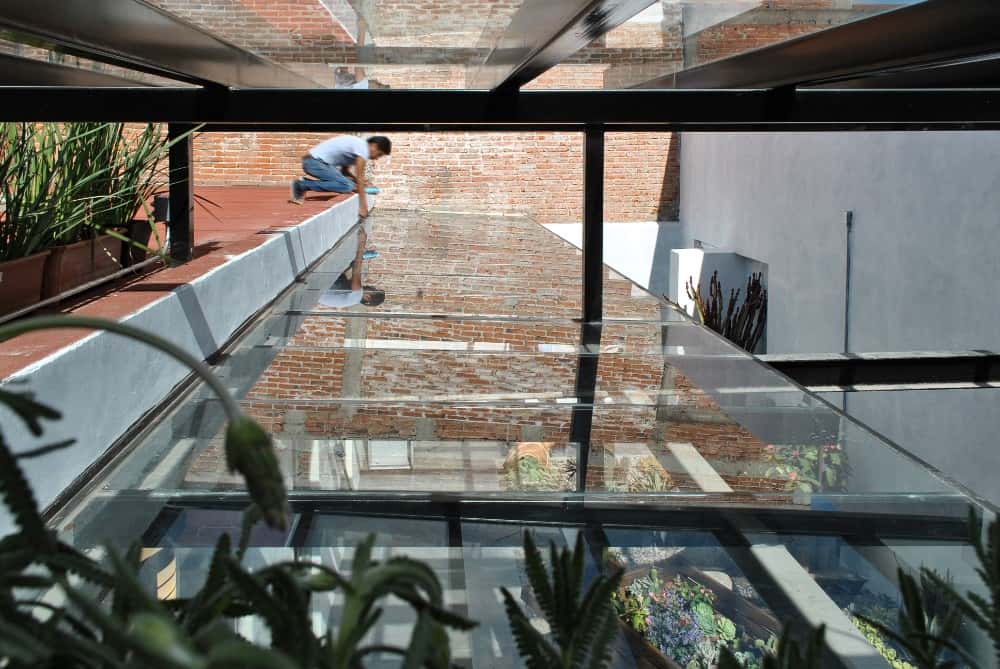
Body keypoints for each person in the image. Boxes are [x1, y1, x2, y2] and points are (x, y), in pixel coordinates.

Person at [289, 135, 391, 216]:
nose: (377, 158)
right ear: (374, 146)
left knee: (349, 184)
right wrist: (363, 207)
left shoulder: (357, 146)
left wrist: (358, 182)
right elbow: (360, 178)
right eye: (379, 154)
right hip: (313, 162)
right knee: (348, 186)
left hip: (316, 163)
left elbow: (344, 171)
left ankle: (305, 183)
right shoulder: (363, 149)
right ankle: (301, 185)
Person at [319, 228, 386, 309]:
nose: (371, 286)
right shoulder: (353, 299)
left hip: (318, 284)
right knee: (346, 267)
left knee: (346, 259)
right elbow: (354, 266)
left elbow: (356, 270)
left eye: (374, 289)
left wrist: (362, 242)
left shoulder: (357, 296)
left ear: (367, 297)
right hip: (323, 285)